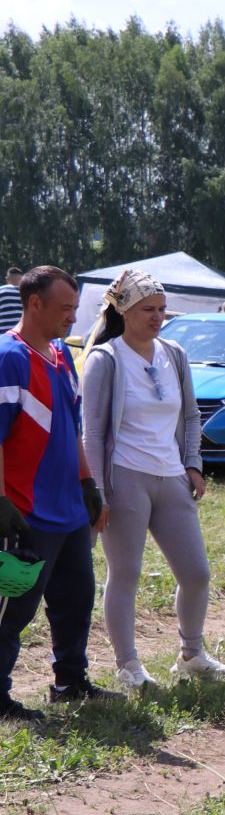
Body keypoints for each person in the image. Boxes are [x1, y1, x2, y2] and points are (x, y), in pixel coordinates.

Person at [80, 268, 225, 689]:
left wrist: (193, 464)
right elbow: (92, 430)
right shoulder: (106, 359)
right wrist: (99, 494)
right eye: (148, 309)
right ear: (123, 311)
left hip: (171, 476)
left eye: (162, 309)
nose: (157, 317)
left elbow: (191, 415)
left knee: (196, 572)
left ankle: (191, 653)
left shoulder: (174, 353)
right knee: (125, 573)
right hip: (125, 477)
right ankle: (128, 666)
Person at [0, 267, 106, 719]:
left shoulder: (63, 355)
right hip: (24, 512)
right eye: (65, 308)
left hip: (67, 511)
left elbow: (74, 428)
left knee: (76, 597)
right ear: (34, 303)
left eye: (75, 308)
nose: (72, 317)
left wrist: (87, 483)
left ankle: (69, 681)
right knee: (12, 610)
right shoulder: (9, 356)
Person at [0, 268, 22, 333]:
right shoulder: (26, 292)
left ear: (7, 279)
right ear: (21, 279)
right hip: (22, 332)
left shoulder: (1, 290)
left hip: (4, 333)